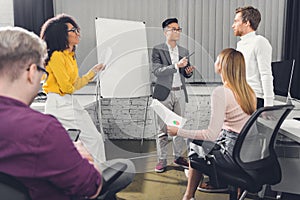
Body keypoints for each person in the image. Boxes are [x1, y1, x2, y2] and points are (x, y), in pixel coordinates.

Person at [0, 26, 135, 200]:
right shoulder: (44, 129)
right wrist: (84, 156)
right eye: (43, 72)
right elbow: (91, 186)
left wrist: (91, 73)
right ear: (33, 73)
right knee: (124, 169)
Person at [167, 48, 257, 200]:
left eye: (217, 59)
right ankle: (195, 177)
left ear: (222, 66)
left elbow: (211, 134)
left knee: (194, 143)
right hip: (247, 153)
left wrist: (178, 131)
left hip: (231, 155)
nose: (215, 62)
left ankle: (188, 195)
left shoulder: (220, 92)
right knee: (199, 143)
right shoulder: (249, 91)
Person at [40, 14, 106, 166]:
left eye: (77, 29)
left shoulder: (69, 55)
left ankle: (96, 175)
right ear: (62, 35)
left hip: (67, 101)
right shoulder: (56, 56)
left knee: (90, 140)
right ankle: (99, 177)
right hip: (59, 103)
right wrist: (72, 86)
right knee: (91, 140)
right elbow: (67, 87)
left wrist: (93, 72)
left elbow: (74, 85)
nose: (78, 33)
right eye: (73, 30)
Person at [152, 18, 195, 173]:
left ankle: (178, 157)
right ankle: (162, 160)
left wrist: (188, 72)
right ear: (165, 31)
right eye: (173, 29)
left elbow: (185, 73)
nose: (177, 31)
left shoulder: (183, 51)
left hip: (179, 93)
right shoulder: (158, 50)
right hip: (164, 94)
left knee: (179, 128)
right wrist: (176, 65)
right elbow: (157, 71)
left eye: (178, 29)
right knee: (162, 130)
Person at [232, 6, 274, 108]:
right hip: (241, 96)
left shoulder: (260, 42)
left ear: (247, 23)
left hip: (253, 97)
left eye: (236, 21)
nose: (233, 25)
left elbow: (266, 74)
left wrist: (268, 105)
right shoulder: (240, 45)